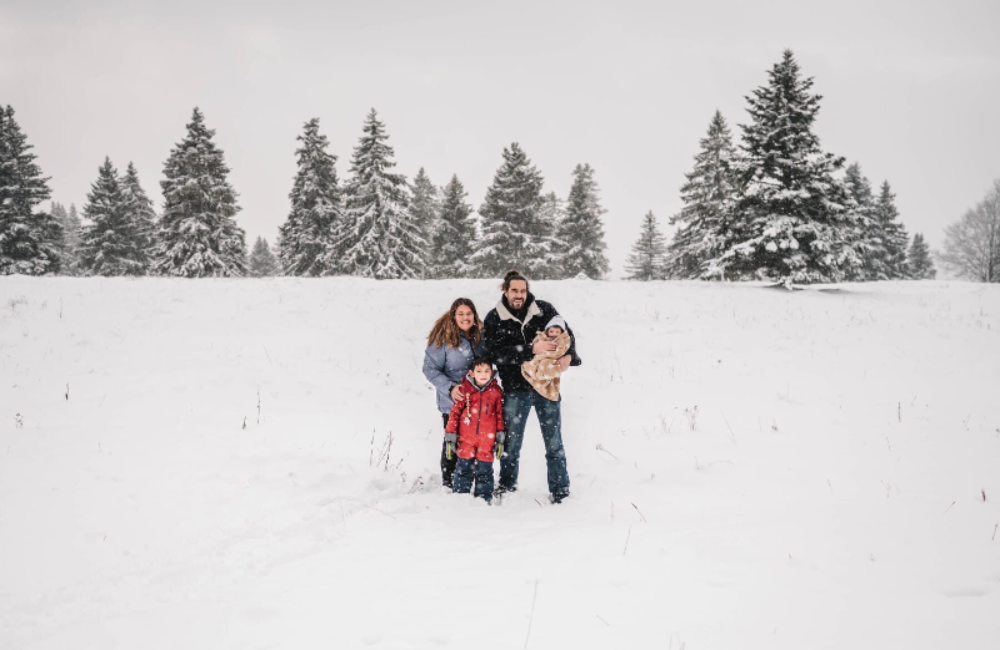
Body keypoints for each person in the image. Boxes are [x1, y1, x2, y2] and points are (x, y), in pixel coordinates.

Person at [483, 270, 581, 503]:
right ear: (505, 291)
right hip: (516, 389)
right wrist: (530, 350)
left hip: (546, 387)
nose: (519, 295)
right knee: (511, 444)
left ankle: (560, 491)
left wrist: (570, 356)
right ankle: (507, 486)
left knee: (554, 442)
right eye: (514, 290)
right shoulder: (495, 317)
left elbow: (566, 334)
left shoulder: (544, 309)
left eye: (523, 290)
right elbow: (495, 354)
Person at [422, 298, 485, 488]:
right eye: (461, 314)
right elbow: (430, 369)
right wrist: (451, 387)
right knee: (453, 441)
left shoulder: (479, 336)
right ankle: (449, 482)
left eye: (468, 313)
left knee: (474, 441)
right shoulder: (443, 339)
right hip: (453, 402)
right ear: (453, 316)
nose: (465, 318)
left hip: (477, 402)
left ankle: (469, 480)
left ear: (474, 315)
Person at [444, 356, 505, 503]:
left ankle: (483, 499)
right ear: (471, 373)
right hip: (466, 440)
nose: (483, 374)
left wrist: (499, 437)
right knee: (463, 469)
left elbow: (499, 415)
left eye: (486, 371)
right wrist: (451, 435)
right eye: (479, 371)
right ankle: (460, 497)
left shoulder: (496, 391)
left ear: (492, 372)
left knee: (485, 471)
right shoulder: (465, 389)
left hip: (487, 441)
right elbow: (455, 413)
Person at [520, 316, 572, 401]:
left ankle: (540, 375)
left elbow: (561, 350)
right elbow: (535, 345)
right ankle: (536, 373)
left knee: (546, 365)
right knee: (529, 364)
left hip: (550, 359)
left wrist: (566, 356)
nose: (554, 334)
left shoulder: (562, 340)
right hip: (538, 357)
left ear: (561, 333)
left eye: (557, 332)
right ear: (547, 331)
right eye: (551, 331)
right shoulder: (541, 337)